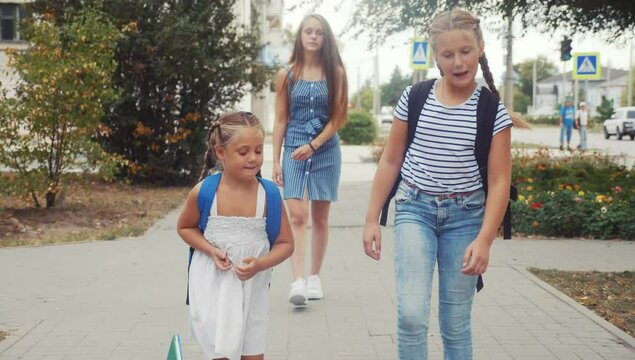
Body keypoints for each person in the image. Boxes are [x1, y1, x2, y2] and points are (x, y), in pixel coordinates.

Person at [362, 9, 529, 360]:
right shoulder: (415, 97)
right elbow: (391, 161)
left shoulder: (491, 110)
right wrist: (371, 218)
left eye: (465, 51)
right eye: (448, 54)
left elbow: (500, 181)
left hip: (467, 219)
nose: (458, 62)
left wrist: (484, 240)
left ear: (480, 48)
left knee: (455, 324)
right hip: (415, 210)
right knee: (410, 315)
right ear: (435, 56)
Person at [176, 111, 293, 360]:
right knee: (222, 354)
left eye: (258, 151)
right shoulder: (205, 192)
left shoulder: (269, 195)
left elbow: (286, 243)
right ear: (221, 153)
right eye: (243, 152)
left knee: (252, 355)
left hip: (254, 288)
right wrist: (210, 249)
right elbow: (185, 228)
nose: (253, 158)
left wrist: (260, 264)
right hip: (212, 285)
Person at [273, 14, 348, 306]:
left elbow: (338, 116)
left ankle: (314, 277)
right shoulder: (287, 74)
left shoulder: (336, 73)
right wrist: (276, 160)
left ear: (325, 37)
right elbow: (280, 120)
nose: (313, 36)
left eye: (319, 32)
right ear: (300, 36)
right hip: (293, 148)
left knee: (320, 216)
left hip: (325, 149)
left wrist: (314, 145)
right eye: (308, 31)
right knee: (297, 215)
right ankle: (297, 281)